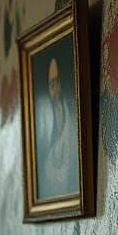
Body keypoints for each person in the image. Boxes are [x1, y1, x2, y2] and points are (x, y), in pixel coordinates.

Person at [37, 56, 79, 200]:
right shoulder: (43, 110)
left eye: (56, 81)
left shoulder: (69, 107)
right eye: (51, 83)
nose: (54, 87)